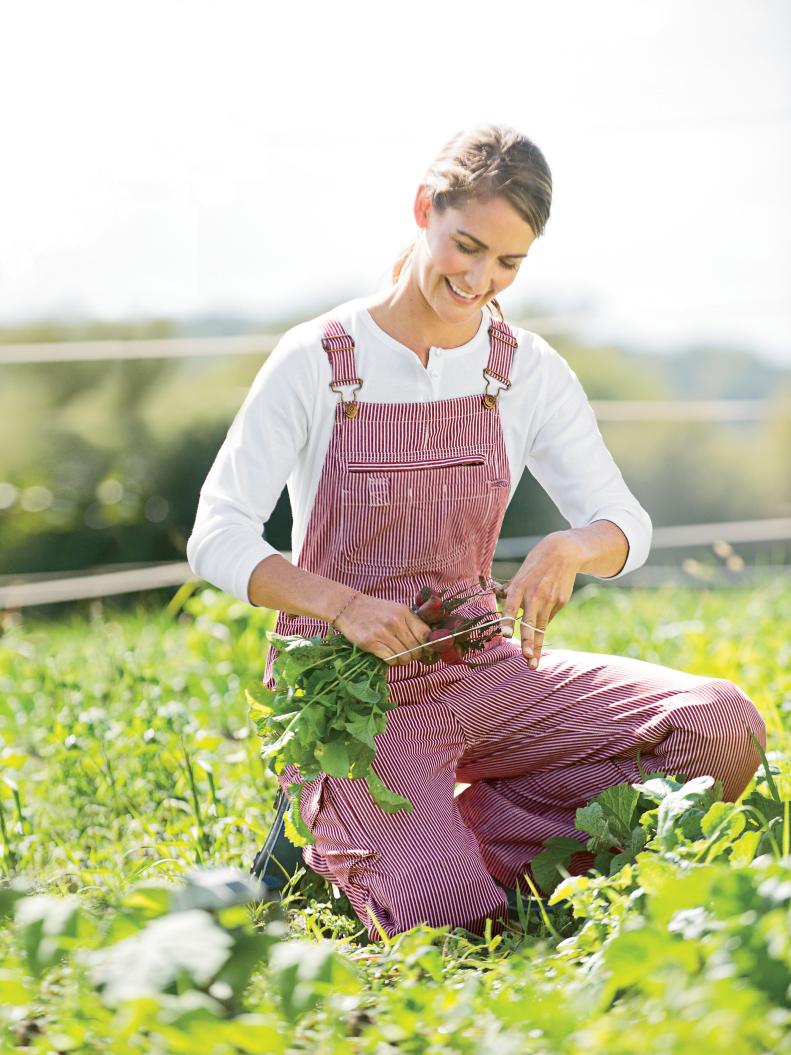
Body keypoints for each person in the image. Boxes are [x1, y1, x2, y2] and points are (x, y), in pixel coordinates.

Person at [186, 123, 767, 941]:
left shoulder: (522, 368)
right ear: (423, 209)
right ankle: (355, 833)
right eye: (466, 246)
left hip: (484, 668)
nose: (480, 279)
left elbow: (622, 521)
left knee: (719, 726)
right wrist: (344, 604)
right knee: (450, 923)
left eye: (508, 263)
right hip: (357, 702)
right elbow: (217, 534)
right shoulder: (318, 359)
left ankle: (455, 829)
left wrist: (573, 546)